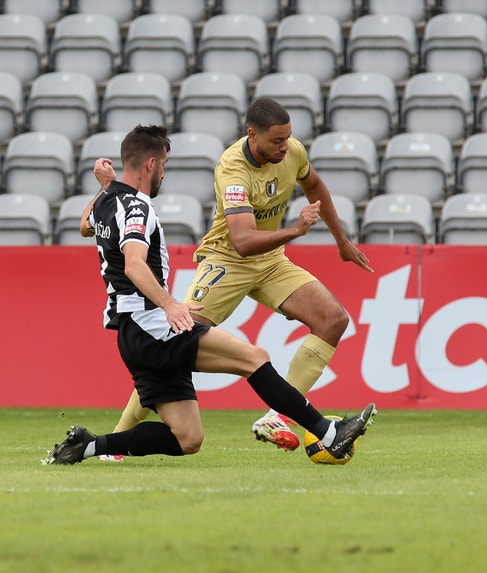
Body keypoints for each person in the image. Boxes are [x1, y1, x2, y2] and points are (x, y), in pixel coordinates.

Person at [43, 125, 376, 466]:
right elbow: (133, 265)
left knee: (188, 438)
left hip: (132, 335)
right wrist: (170, 304)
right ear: (150, 165)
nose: (164, 173)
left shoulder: (107, 202)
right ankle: (330, 434)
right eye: (164, 166)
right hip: (151, 325)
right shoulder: (137, 209)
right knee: (254, 357)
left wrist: (104, 187)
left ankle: (87, 446)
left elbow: (86, 225)